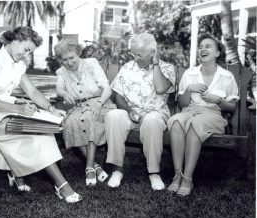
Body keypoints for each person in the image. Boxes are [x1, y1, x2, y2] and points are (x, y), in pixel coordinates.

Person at [0, 26, 82, 203]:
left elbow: (32, 92)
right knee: (38, 133)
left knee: (44, 128)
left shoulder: (17, 64)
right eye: (26, 50)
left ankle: (18, 175)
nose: (26, 56)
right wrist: (17, 109)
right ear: (15, 40)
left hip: (7, 112)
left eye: (30, 53)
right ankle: (62, 186)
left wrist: (50, 108)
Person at [167, 33, 239, 196]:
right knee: (176, 120)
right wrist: (189, 89)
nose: (202, 49)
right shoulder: (189, 74)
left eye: (208, 46)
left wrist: (218, 100)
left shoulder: (226, 77)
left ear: (217, 53)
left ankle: (187, 178)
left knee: (195, 124)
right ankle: (177, 175)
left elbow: (232, 108)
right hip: (190, 110)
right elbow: (182, 104)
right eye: (200, 47)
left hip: (213, 115)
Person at [105, 33, 176, 190]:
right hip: (131, 113)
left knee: (152, 120)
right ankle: (117, 170)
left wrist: (156, 64)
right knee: (113, 115)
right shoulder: (127, 68)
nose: (134, 57)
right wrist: (129, 111)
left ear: (153, 52)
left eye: (139, 54)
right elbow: (118, 96)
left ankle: (154, 173)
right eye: (132, 53)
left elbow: (160, 88)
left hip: (155, 114)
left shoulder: (167, 68)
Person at [54, 39, 116, 187]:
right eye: (64, 60)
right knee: (69, 123)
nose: (69, 63)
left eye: (71, 58)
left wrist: (99, 103)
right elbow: (59, 89)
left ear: (78, 54)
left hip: (100, 102)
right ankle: (95, 165)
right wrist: (63, 94)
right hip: (80, 106)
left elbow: (107, 89)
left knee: (90, 119)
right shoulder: (61, 72)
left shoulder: (91, 63)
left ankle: (88, 167)